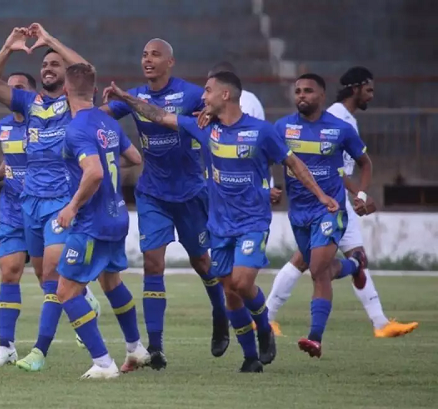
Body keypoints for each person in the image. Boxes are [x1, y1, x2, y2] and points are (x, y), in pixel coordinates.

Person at [105, 72, 337, 372]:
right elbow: (159, 116)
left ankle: (264, 326)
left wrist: (320, 195)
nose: (202, 96)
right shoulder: (204, 129)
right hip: (219, 225)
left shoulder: (262, 131)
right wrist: (127, 98)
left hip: (252, 222)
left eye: (208, 91)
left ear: (225, 95)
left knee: (241, 282)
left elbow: (294, 163)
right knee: (230, 291)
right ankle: (250, 357)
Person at [99, 38, 230, 369]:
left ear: (170, 62)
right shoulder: (133, 96)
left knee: (202, 263)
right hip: (152, 193)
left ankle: (220, 311)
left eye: (155, 54)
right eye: (144, 54)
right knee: (152, 265)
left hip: (190, 193)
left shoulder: (190, 94)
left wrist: (212, 113)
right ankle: (155, 348)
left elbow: (219, 110)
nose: (148, 59)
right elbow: (97, 116)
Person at [0, 24, 100, 371]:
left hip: (60, 200)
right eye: (44, 64)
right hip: (28, 202)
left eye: (55, 64)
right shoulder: (29, 102)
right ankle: (83, 300)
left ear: (67, 76)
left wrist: (51, 42)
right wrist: (7, 47)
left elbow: (88, 71)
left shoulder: (73, 103)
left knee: (50, 274)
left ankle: (39, 352)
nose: (47, 68)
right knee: (44, 277)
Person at [267, 67, 419, 338]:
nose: (371, 95)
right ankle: (267, 316)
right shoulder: (335, 115)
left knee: (315, 264)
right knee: (310, 262)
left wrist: (359, 195)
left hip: (333, 202)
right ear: (356, 88)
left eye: (307, 91)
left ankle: (379, 322)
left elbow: (345, 166)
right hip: (318, 201)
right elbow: (334, 168)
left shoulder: (344, 122)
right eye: (368, 90)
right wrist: (358, 194)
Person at [56, 63, 148, 379]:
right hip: (117, 216)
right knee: (111, 282)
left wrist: (72, 206)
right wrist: (106, 164)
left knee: (66, 292)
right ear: (95, 91)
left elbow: (94, 172)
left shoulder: (76, 128)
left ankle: (103, 363)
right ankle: (136, 348)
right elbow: (135, 158)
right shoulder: (107, 122)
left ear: (65, 90)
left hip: (91, 222)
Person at [274, 73, 372, 358]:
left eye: (308, 91)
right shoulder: (282, 128)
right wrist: (269, 188)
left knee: (317, 270)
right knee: (323, 271)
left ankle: (315, 338)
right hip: (298, 212)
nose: (301, 96)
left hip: (330, 210)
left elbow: (365, 163)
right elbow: (261, 158)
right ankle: (355, 265)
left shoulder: (340, 129)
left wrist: (361, 195)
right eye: (298, 91)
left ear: (322, 96)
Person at [0, 72, 44, 366]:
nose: (12, 92)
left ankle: (83, 306)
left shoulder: (44, 123)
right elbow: (12, 158)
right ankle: (6, 346)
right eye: (10, 87)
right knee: (9, 271)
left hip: (42, 207)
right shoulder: (3, 126)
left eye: (20, 88)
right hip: (11, 209)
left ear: (32, 94)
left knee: (48, 277)